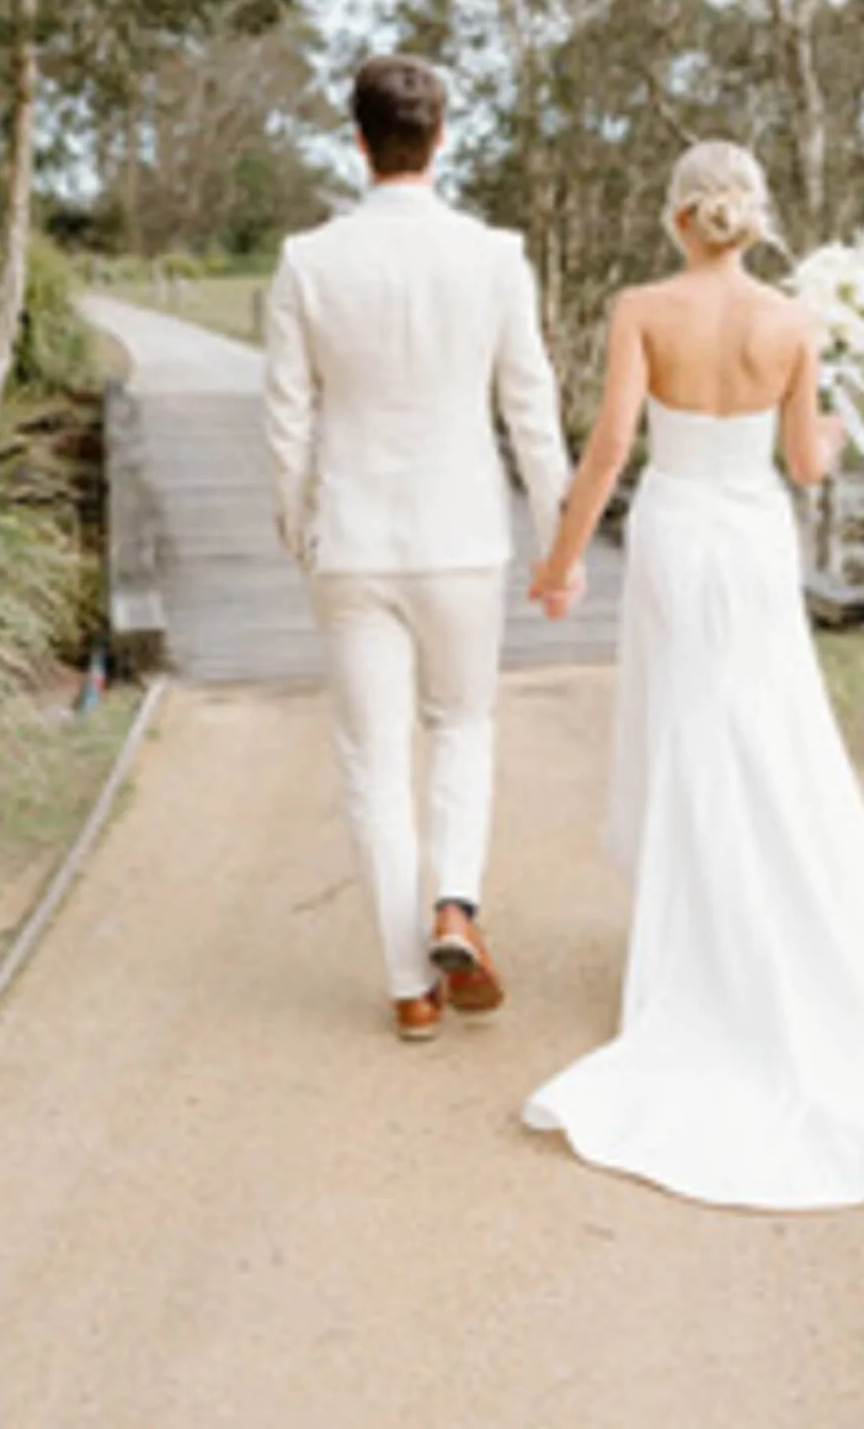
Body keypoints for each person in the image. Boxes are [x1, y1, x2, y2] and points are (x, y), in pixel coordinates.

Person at [523, 141, 864, 1208]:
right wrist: (835, 416)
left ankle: (706, 940)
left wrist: (559, 557)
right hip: (752, 536)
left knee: (688, 728)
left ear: (677, 216)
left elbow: (611, 446)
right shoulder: (793, 323)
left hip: (675, 530)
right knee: (763, 725)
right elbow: (805, 464)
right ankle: (767, 929)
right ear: (749, 219)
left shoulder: (640, 307)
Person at [264, 56, 572, 1042]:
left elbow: (285, 421)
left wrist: (296, 530)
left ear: (356, 142)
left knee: (369, 763)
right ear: (438, 140)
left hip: (349, 538)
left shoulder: (306, 261)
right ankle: (454, 901)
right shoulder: (494, 256)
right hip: (460, 537)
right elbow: (531, 407)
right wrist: (554, 537)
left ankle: (409, 985)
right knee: (462, 726)